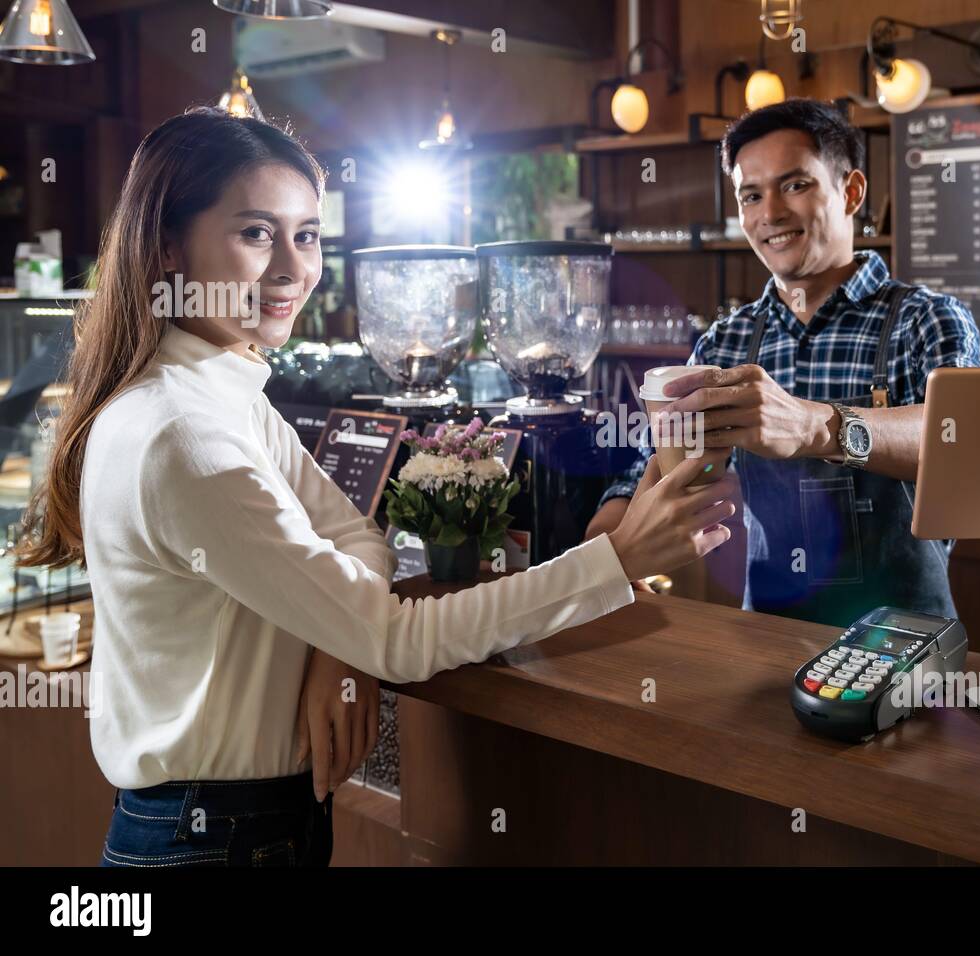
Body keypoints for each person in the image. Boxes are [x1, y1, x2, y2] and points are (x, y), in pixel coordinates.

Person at [16, 107, 735, 867]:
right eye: (256, 233)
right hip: (214, 837)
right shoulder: (184, 434)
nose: (293, 270)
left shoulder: (222, 397)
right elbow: (396, 638)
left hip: (236, 826)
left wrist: (340, 641)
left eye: (307, 235)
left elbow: (359, 533)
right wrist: (616, 560)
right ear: (166, 246)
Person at [586, 98, 980, 627]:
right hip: (767, 638)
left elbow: (967, 446)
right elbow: (652, 467)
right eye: (751, 195)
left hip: (909, 645)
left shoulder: (925, 321)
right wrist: (605, 549)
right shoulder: (724, 343)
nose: (770, 213)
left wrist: (816, 425)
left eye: (795, 185)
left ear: (852, 191)